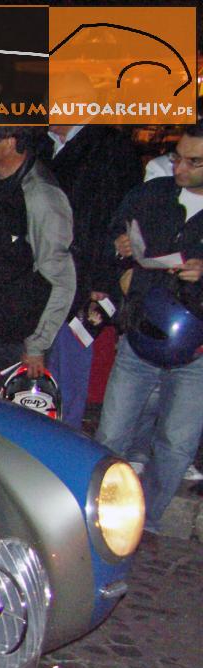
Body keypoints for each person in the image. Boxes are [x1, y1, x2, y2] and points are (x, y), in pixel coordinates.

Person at [94, 125, 203, 535]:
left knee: (176, 444)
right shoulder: (151, 195)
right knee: (111, 434)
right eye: (177, 156)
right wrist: (120, 249)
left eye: (194, 162)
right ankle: (101, 516)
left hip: (194, 352)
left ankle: (147, 521)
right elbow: (111, 235)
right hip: (140, 339)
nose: (180, 167)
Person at [40, 119, 142, 429]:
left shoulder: (107, 146)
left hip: (84, 275)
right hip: (52, 270)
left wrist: (101, 278)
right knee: (49, 359)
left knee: (69, 361)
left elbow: (113, 217)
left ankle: (64, 435)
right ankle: (49, 428)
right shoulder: (47, 142)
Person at [0, 125, 75, 391]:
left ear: (10, 142)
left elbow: (60, 276)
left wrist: (37, 344)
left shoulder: (40, 195)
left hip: (18, 340)